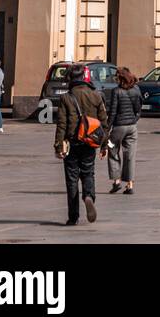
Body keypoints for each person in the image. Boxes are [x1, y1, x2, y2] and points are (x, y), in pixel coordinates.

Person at [54, 63, 108, 227]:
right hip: (89, 142)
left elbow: (61, 124)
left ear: (71, 78)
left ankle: (73, 217)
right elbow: (104, 123)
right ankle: (89, 197)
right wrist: (104, 145)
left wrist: (58, 146)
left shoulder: (66, 97)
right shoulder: (96, 95)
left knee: (71, 180)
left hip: (71, 143)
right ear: (85, 78)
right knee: (88, 172)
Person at [106, 67, 142, 195]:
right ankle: (130, 185)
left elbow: (113, 112)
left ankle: (116, 181)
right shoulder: (136, 89)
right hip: (132, 128)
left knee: (112, 149)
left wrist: (107, 128)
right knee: (130, 156)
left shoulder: (116, 91)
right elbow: (138, 108)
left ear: (120, 77)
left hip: (118, 128)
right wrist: (134, 120)